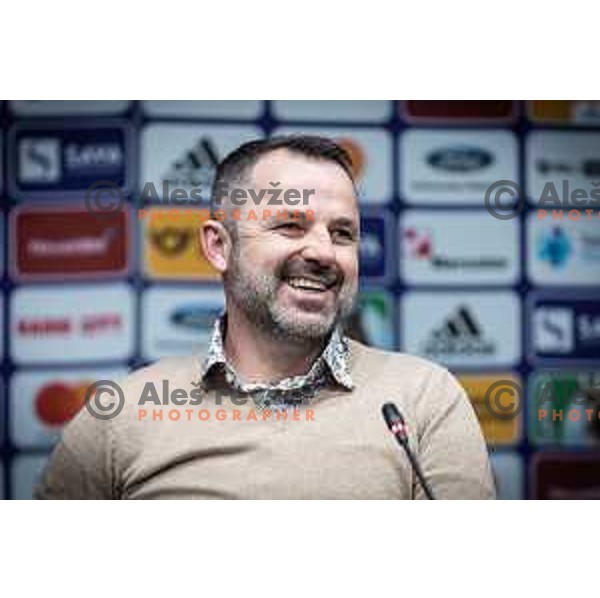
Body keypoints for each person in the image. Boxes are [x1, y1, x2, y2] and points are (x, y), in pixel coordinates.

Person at [36, 135, 495, 499]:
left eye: (342, 233)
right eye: (289, 225)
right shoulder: (120, 415)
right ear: (219, 246)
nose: (321, 252)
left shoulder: (423, 399)